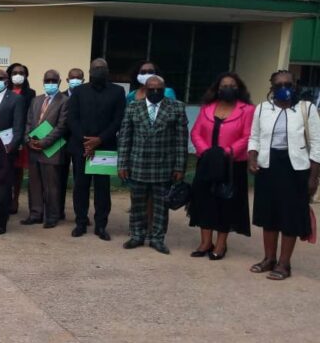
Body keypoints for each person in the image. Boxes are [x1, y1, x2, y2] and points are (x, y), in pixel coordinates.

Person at [248, 70, 320, 280]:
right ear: (272, 89)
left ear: (294, 86)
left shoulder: (306, 109)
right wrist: (252, 158)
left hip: (296, 169)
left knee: (290, 216)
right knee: (268, 215)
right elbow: (254, 137)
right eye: (278, 86)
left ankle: (284, 264)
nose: (283, 89)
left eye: (287, 84)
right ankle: (269, 258)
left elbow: (317, 144)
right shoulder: (262, 109)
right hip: (268, 167)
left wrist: (313, 176)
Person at [118, 75, 188, 254]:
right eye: (152, 89)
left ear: (164, 90)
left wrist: (180, 167)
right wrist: (122, 164)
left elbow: (181, 140)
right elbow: (125, 138)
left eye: (159, 89)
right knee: (137, 203)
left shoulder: (176, 108)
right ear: (145, 89)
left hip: (164, 165)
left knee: (160, 206)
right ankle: (137, 235)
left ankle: (157, 238)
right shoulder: (133, 107)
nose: (155, 92)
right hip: (138, 164)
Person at [189, 73, 254, 260]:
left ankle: (221, 244)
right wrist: (208, 152)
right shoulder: (207, 108)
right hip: (207, 162)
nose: (228, 89)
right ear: (217, 89)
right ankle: (205, 242)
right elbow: (196, 132)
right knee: (204, 201)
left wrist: (226, 152)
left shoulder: (247, 110)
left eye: (232, 85)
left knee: (226, 202)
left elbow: (248, 135)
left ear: (238, 88)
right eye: (224, 85)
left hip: (232, 164)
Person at [67, 58, 126, 241]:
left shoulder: (117, 91)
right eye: (96, 68)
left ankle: (101, 225)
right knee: (80, 187)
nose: (99, 71)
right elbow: (72, 119)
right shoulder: (78, 91)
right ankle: (80, 222)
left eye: (102, 68)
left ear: (107, 71)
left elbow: (118, 120)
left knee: (102, 188)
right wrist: (86, 142)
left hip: (104, 148)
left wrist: (99, 140)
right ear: (90, 71)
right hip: (81, 147)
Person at [22, 69, 69, 228]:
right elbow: (28, 122)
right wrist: (28, 139)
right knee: (34, 183)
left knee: (51, 185)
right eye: (47, 81)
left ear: (59, 82)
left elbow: (62, 126)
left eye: (53, 81)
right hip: (33, 149)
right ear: (43, 82)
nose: (50, 84)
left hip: (52, 149)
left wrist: (44, 142)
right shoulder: (36, 100)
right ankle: (35, 214)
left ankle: (52, 216)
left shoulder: (64, 100)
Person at [6, 63, 36, 214]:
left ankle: (15, 199)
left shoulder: (30, 93)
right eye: (15, 72)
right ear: (9, 75)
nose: (18, 75)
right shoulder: (3, 91)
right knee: (5, 167)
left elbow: (31, 116)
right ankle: (4, 198)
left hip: (21, 137)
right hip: (4, 136)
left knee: (17, 170)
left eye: (21, 73)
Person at [58, 67, 84, 221]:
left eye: (78, 77)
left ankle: (79, 214)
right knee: (60, 179)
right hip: (60, 143)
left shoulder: (86, 95)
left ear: (83, 80)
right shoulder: (59, 97)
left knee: (79, 181)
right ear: (67, 80)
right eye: (72, 77)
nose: (75, 80)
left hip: (79, 143)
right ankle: (58, 211)